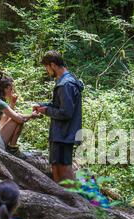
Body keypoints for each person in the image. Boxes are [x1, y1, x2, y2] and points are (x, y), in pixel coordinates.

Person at [34, 51, 84, 184]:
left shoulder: (65, 84)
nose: (47, 71)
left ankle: (74, 201)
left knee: (64, 168)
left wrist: (47, 111)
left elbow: (66, 112)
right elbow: (59, 105)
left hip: (64, 133)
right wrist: (43, 106)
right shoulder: (66, 81)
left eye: (46, 67)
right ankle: (62, 199)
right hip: (61, 133)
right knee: (56, 166)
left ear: (53, 65)